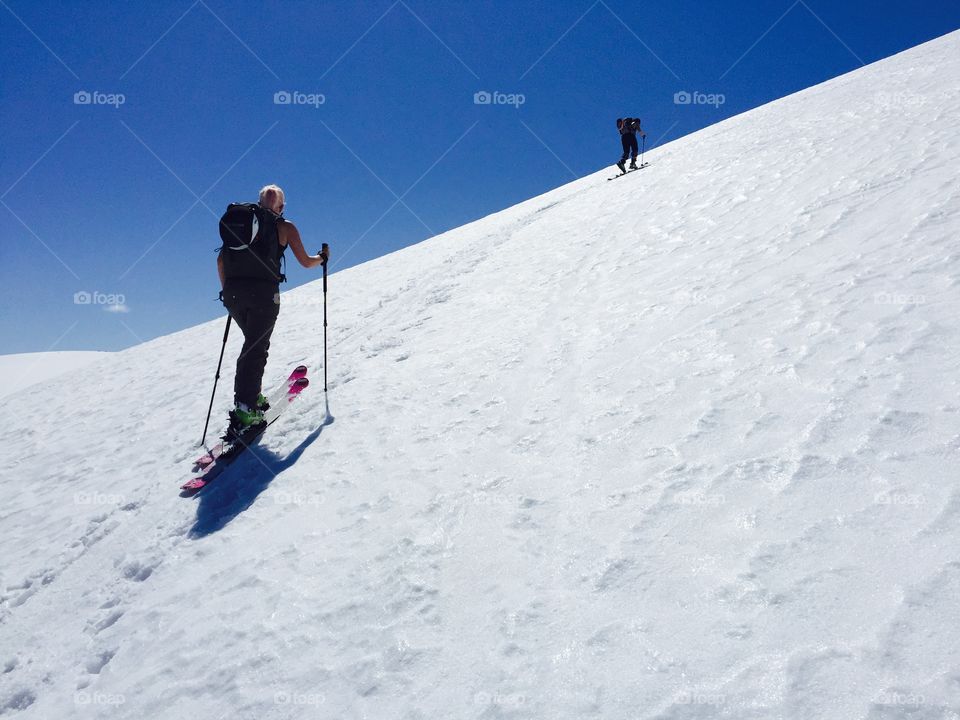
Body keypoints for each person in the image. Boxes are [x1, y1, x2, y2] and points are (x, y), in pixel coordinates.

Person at [217, 184, 328, 441]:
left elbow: (221, 260)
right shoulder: (284, 227)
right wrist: (322, 257)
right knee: (256, 348)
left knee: (251, 344)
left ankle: (251, 396)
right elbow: (306, 262)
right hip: (264, 297)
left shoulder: (242, 226)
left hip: (233, 296)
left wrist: (228, 292)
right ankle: (246, 411)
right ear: (281, 206)